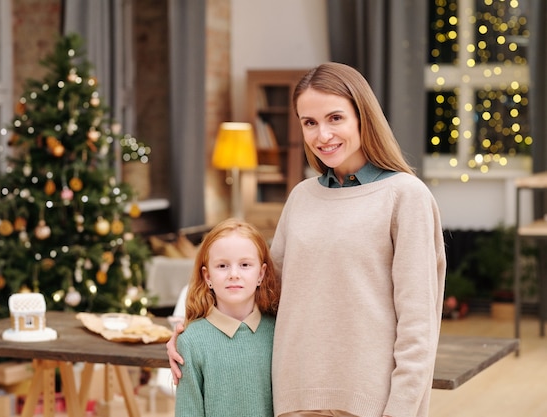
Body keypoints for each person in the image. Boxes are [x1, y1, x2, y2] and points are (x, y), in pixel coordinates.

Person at [168, 63, 446, 417]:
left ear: (363, 117)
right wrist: (190, 335)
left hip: (371, 404)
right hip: (294, 399)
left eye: (335, 118)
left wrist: (401, 410)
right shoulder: (301, 197)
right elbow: (266, 292)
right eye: (309, 122)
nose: (322, 135)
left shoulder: (405, 197)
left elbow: (418, 326)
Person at [174, 218, 281, 417]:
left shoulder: (279, 333)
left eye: (245, 264)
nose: (234, 274)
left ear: (261, 273)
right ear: (207, 277)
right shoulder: (191, 342)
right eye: (222, 266)